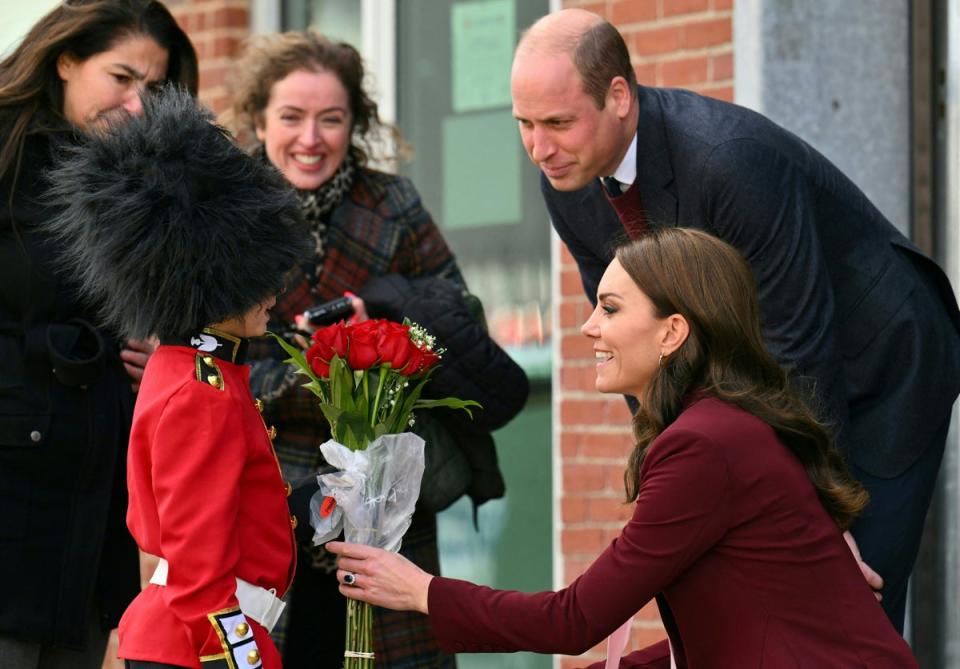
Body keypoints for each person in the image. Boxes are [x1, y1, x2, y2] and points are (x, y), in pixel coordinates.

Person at [509, 8, 960, 633]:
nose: (539, 147)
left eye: (557, 122)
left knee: (852, 596)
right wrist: (669, 479)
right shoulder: (566, 178)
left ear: (618, 96)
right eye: (525, 125)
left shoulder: (729, 160)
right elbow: (634, 343)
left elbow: (801, 346)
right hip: (778, 370)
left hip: (881, 359)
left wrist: (825, 517)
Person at [327, 228, 919, 669]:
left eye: (609, 309)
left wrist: (421, 590)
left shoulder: (704, 444)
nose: (588, 327)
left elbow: (575, 619)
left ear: (672, 332)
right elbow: (735, 620)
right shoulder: (719, 426)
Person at [228, 30, 528, 669]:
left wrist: (388, 308)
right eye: (291, 117)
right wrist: (308, 371)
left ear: (354, 124)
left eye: (330, 119)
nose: (311, 138)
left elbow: (459, 318)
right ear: (258, 119)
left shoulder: (393, 204)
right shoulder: (225, 211)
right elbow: (190, 358)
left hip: (386, 497)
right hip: (260, 496)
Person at [43, 86, 313, 669]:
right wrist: (238, 657)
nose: (274, 294)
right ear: (218, 282)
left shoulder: (188, 369)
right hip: (200, 647)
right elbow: (198, 564)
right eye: (260, 278)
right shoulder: (201, 393)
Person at [0, 2, 196, 667]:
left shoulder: (142, 180)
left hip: (92, 511)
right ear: (64, 59)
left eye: (154, 88)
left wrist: (153, 353)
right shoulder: (6, 153)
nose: (137, 104)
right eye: (121, 77)